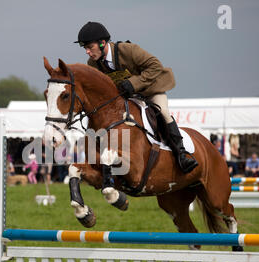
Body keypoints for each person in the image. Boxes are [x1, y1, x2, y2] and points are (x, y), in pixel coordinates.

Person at [74, 21, 198, 174]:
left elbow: (155, 66)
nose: (87, 52)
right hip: (127, 98)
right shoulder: (93, 64)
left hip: (150, 90)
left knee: (163, 112)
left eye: (89, 47)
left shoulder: (127, 50)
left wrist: (133, 83)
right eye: (85, 48)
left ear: (102, 43)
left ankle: (182, 153)